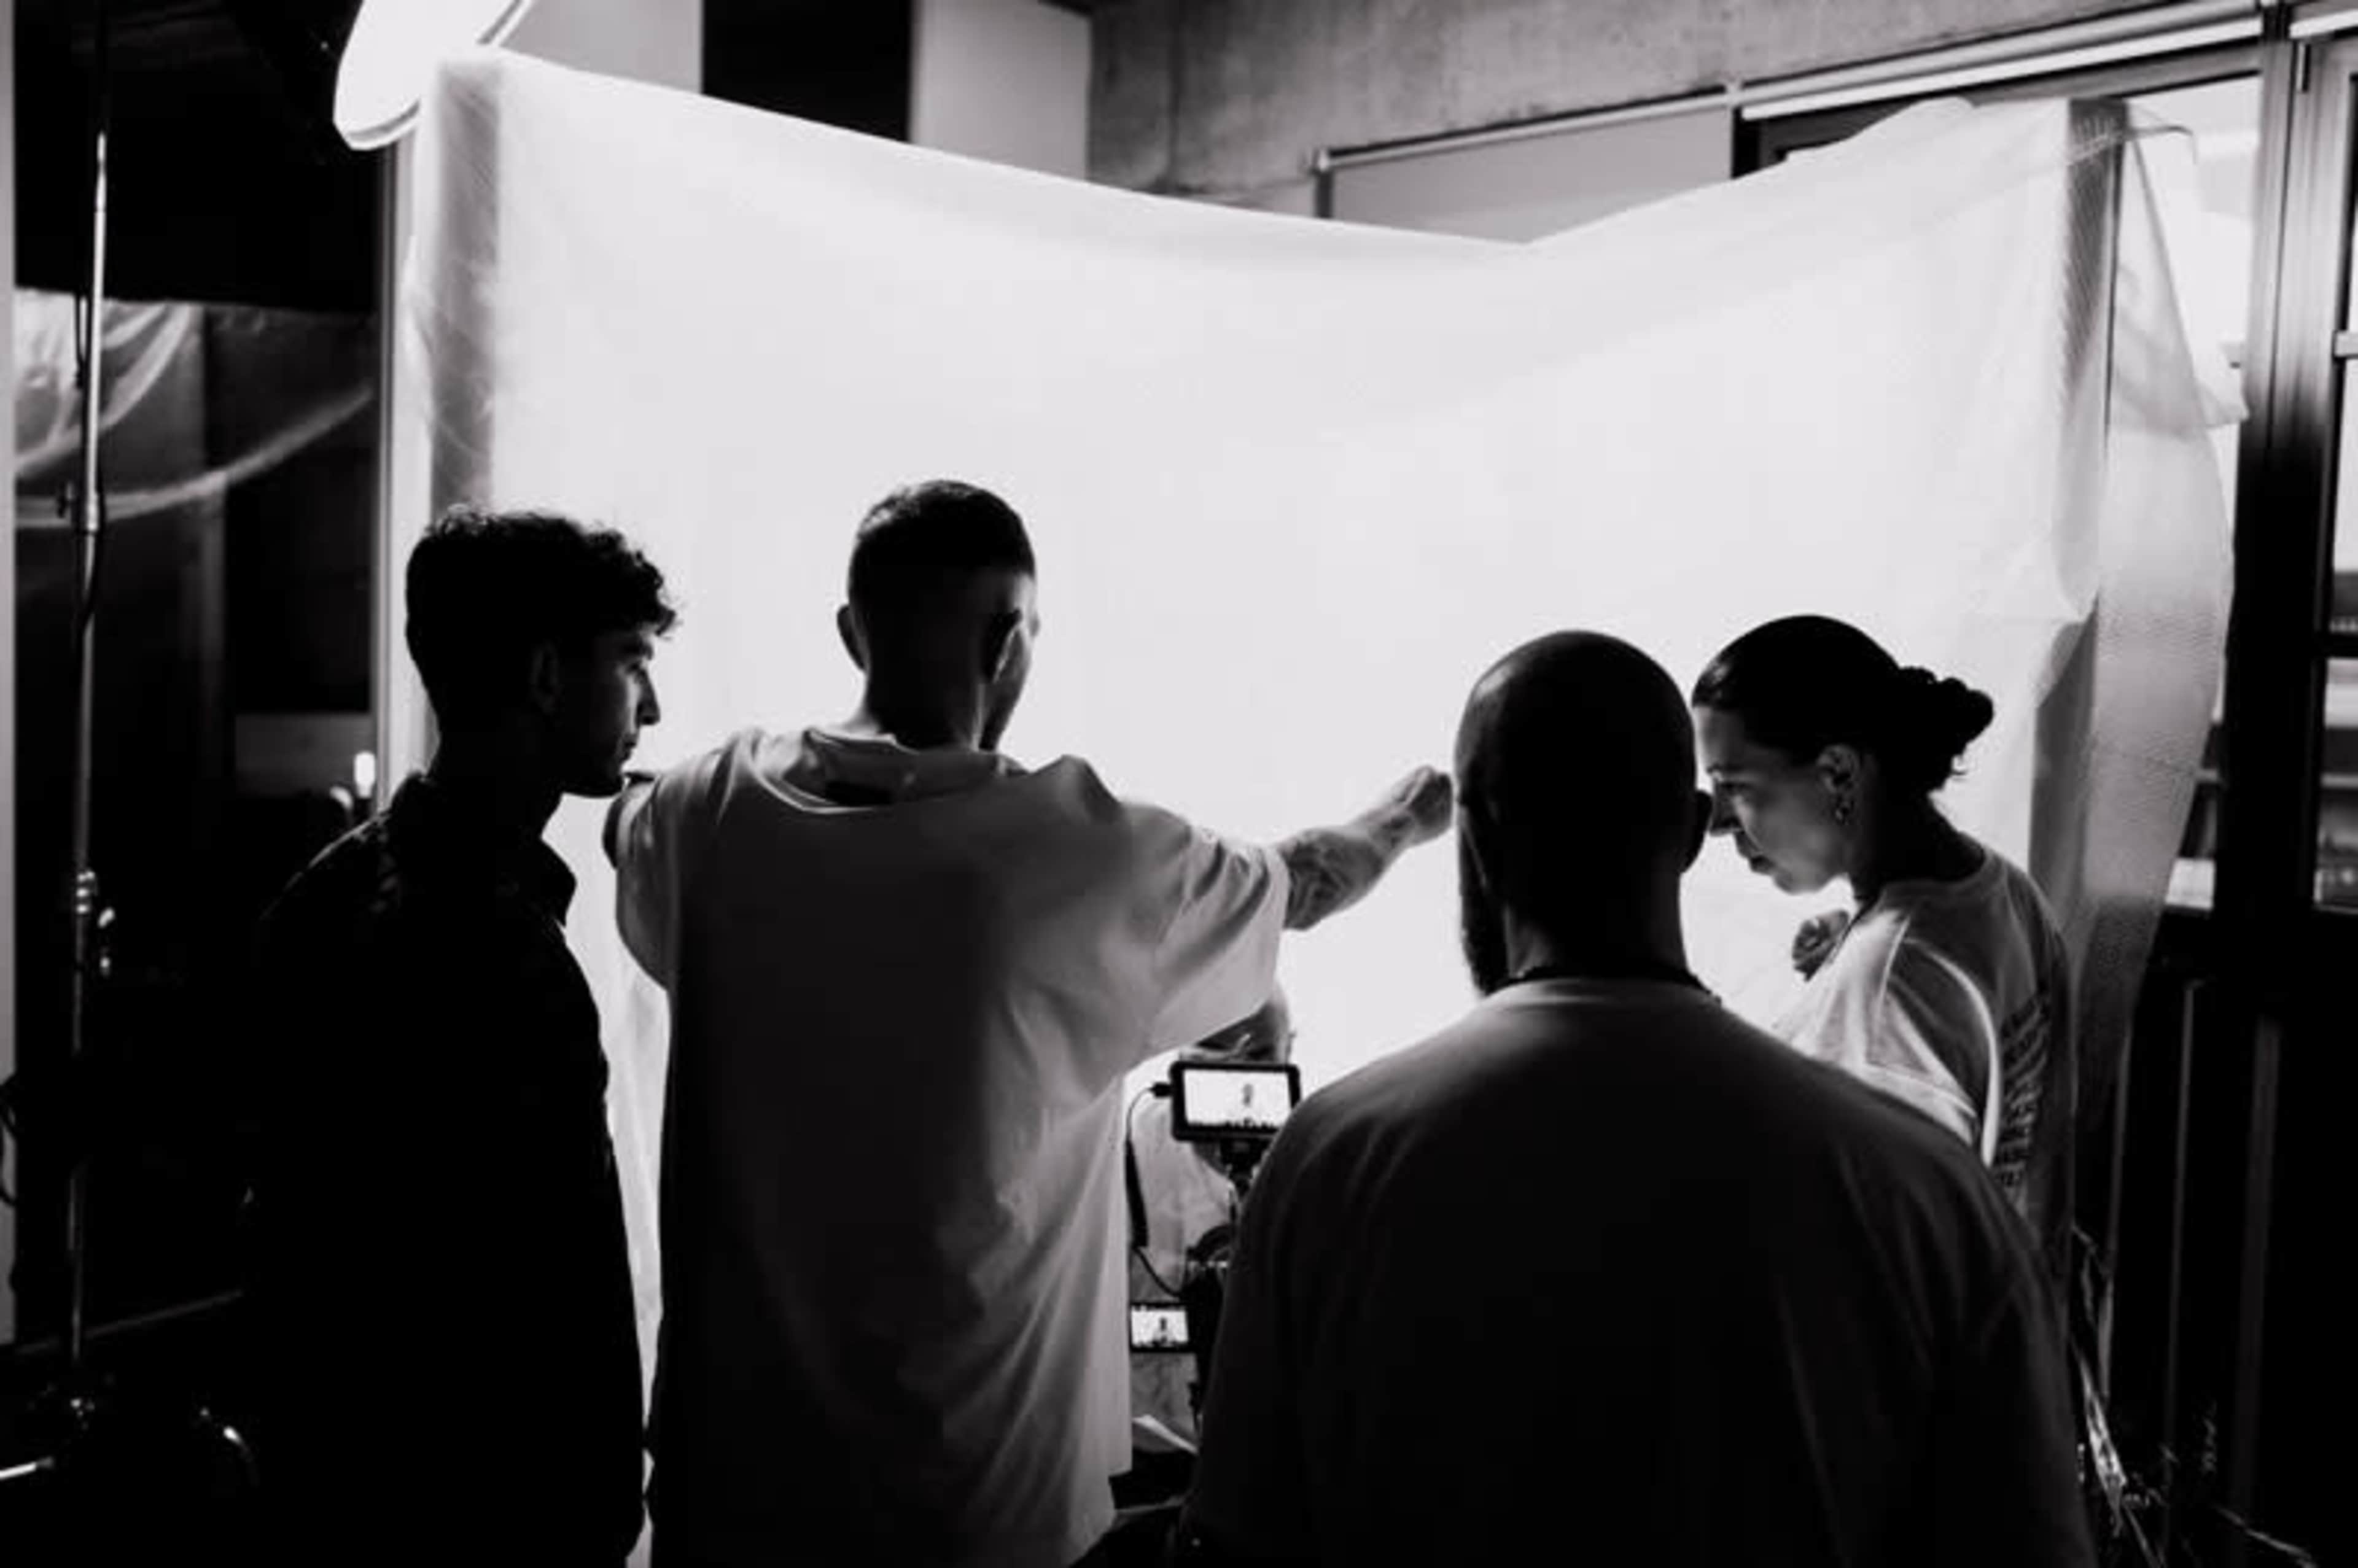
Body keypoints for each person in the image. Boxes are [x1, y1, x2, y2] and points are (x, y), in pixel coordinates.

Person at [607, 479, 1451, 1568]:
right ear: (1010, 640)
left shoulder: (704, 811)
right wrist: (1413, 812)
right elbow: (1302, 881)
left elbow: (625, 824)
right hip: (971, 1509)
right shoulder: (1078, 855)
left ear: (850, 630)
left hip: (730, 1497)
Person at [1175, 630, 2092, 1568]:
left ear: (1479, 839)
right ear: (1690, 834)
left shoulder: (1328, 1160)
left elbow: (1237, 1538)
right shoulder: (1930, 1189)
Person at [246, 505, 672, 1566]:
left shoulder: (323, 893)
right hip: (489, 1512)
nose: (651, 705)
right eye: (631, 662)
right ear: (541, 674)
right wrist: (598, 1506)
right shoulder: (499, 949)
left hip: (340, 1491)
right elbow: (542, 1295)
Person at [1691, 614, 2075, 1275]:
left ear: (1839, 771)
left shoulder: (1890, 983)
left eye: (1735, 786)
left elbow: (1862, 1260)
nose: (1718, 821)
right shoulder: (2004, 892)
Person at [1124, 990, 1296, 1458]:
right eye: (1218, 1056)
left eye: (1263, 1056)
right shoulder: (1127, 1151)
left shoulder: (1315, 1155)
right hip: (1154, 1444)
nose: (1242, 1078)